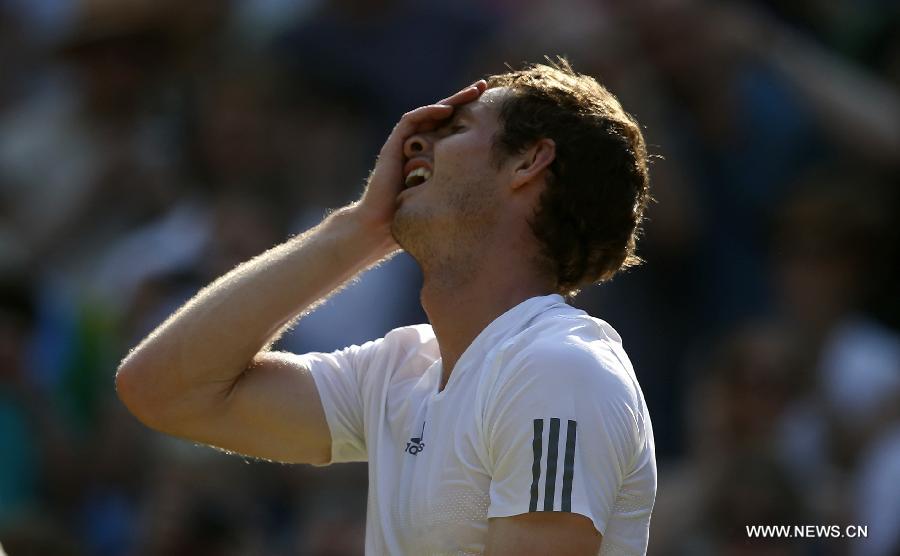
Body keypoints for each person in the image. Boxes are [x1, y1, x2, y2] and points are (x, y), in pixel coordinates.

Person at [116, 59, 656, 555]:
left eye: (456, 130)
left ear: (529, 162)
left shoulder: (558, 368)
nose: (414, 145)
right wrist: (357, 228)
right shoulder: (402, 369)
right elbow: (160, 390)